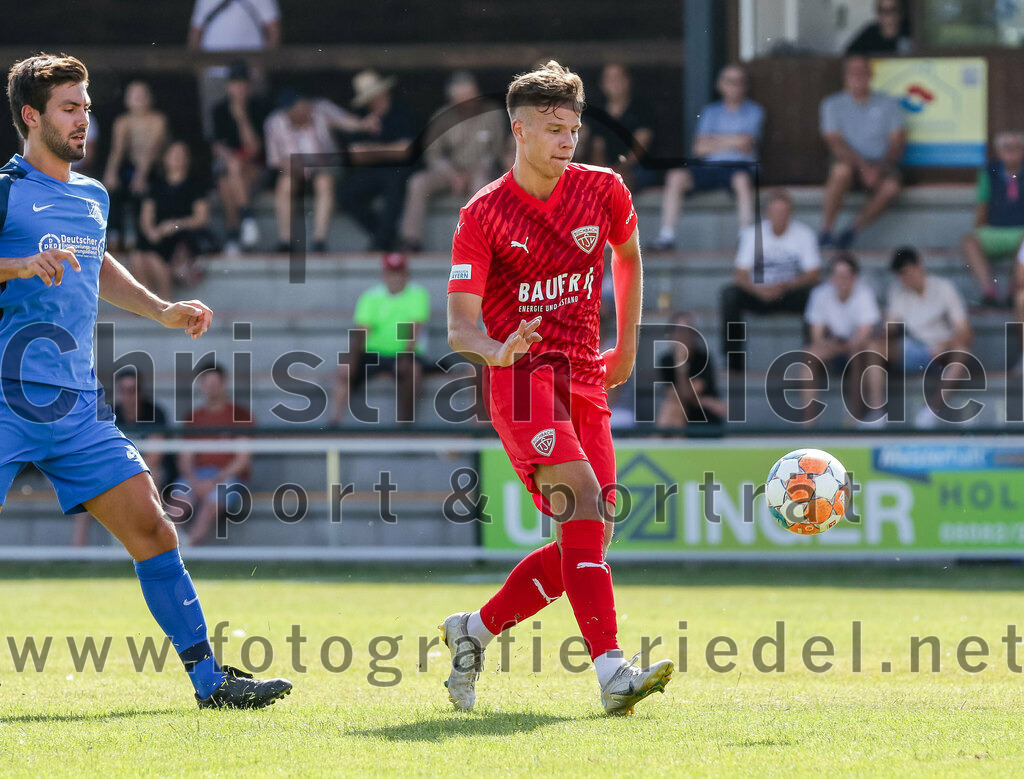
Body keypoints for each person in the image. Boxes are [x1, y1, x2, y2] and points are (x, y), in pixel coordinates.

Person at [0, 54, 290, 707]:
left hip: (77, 410)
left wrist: (160, 309)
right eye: (69, 108)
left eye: (86, 106)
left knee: (154, 531)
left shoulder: (93, 195)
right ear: (31, 115)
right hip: (4, 399)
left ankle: (210, 683)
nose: (84, 119)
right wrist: (18, 266)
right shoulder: (5, 192)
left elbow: (97, 266)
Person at [444, 60, 674, 716]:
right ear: (519, 130)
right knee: (580, 496)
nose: (567, 139)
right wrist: (498, 347)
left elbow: (628, 255)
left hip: (586, 376)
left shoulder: (603, 191)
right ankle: (611, 670)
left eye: (572, 127)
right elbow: (461, 326)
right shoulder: (483, 214)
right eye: (552, 128)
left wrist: (627, 344)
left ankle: (474, 630)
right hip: (518, 380)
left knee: (587, 534)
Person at [651, 64, 763, 251]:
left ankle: (746, 236)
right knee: (675, 177)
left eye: (739, 81)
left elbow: (747, 143)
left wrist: (714, 140)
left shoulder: (754, 110)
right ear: (720, 85)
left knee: (742, 181)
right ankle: (667, 236)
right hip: (709, 167)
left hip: (738, 167)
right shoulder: (711, 111)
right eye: (730, 81)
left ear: (746, 86)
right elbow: (699, 148)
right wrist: (734, 140)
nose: (735, 86)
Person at [397, 71, 507, 252]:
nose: (468, 102)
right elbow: (433, 154)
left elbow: (496, 152)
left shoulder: (492, 113)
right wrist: (453, 175)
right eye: (462, 99)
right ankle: (411, 240)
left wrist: (472, 173)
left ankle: (476, 240)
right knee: (418, 182)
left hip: (481, 170)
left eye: (471, 96)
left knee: (481, 183)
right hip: (449, 172)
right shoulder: (442, 116)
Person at [720, 189, 822, 373]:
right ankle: (733, 362)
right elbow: (740, 275)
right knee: (730, 295)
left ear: (791, 213)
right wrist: (759, 290)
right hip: (758, 294)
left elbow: (813, 274)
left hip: (788, 293)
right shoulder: (752, 234)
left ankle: (814, 358)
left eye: (783, 212)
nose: (779, 216)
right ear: (768, 213)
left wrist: (786, 286)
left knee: (816, 296)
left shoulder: (804, 234)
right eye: (775, 211)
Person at [73, 369, 176, 547]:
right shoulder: (109, 413)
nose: (128, 395)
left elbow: (154, 457)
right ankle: (77, 552)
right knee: (85, 487)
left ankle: (153, 544)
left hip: (146, 473)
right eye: (124, 390)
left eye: (133, 390)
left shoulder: (155, 412)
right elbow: (101, 454)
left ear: (141, 391)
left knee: (154, 477)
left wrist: (127, 476)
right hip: (116, 472)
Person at [264, 89, 371, 252]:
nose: (303, 110)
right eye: (297, 108)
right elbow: (275, 161)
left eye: (304, 105)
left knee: (324, 182)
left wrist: (363, 124)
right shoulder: (274, 122)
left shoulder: (321, 108)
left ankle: (319, 240)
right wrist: (296, 168)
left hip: (326, 167)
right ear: (287, 111)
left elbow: (346, 121)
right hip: (294, 170)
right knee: (285, 183)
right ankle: (286, 241)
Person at [331, 252, 429, 425]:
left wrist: (406, 356)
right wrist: (352, 360)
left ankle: (405, 423)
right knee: (344, 371)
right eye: (392, 272)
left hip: (402, 353)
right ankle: (334, 422)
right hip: (373, 354)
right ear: (384, 275)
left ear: (406, 275)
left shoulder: (417, 294)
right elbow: (361, 331)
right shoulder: (371, 296)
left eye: (399, 272)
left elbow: (414, 329)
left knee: (412, 371)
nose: (395, 278)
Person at [819, 55, 906, 249]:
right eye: (852, 72)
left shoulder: (889, 103)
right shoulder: (832, 104)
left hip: (881, 163)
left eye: (862, 71)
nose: (858, 76)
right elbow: (834, 142)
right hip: (848, 162)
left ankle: (852, 231)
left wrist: (880, 167)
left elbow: (897, 142)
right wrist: (863, 166)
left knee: (891, 187)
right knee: (840, 171)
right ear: (845, 77)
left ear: (871, 75)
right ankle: (826, 230)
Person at [884, 246, 973, 428]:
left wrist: (946, 343)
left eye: (905, 273)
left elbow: (965, 331)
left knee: (962, 351)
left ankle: (932, 410)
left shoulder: (944, 287)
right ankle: (875, 413)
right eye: (899, 275)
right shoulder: (897, 291)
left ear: (919, 267)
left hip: (941, 351)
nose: (903, 279)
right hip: (912, 349)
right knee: (873, 349)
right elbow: (889, 329)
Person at [338, 70, 416, 252]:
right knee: (344, 192)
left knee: (394, 186)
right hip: (371, 172)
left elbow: (406, 151)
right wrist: (388, 150)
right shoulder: (361, 118)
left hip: (399, 171)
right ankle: (386, 238)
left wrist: (371, 150)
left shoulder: (402, 112)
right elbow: (355, 155)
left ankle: (380, 243)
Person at [176, 365, 253, 546]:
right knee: (178, 501)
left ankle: (186, 547)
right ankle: (164, 549)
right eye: (206, 383)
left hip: (229, 477)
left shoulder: (240, 415)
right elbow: (185, 458)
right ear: (200, 385)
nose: (211, 388)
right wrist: (195, 481)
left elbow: (242, 460)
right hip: (198, 475)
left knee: (212, 502)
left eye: (215, 384)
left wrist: (213, 481)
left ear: (225, 384)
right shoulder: (194, 417)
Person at [801, 253, 882, 425]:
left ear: (855, 277)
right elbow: (816, 336)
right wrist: (836, 346)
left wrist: (848, 346)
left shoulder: (864, 293)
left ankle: (863, 416)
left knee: (865, 351)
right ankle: (808, 421)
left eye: (846, 276)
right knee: (809, 355)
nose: (841, 281)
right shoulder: (819, 294)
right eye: (837, 276)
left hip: (856, 349)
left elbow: (865, 333)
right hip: (833, 347)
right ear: (831, 277)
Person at [188, 0, 280, 139]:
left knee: (256, 121)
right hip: (214, 72)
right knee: (215, 124)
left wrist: (265, 63)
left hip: (251, 72)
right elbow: (196, 31)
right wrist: (197, 65)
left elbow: (273, 29)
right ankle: (220, 159)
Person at [132, 141, 211, 301]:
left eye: (180, 155)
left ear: (187, 159)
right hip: (157, 233)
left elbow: (201, 218)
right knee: (137, 257)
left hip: (181, 234)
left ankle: (165, 302)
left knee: (155, 259)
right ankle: (144, 304)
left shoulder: (195, 185)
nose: (176, 158)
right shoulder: (156, 184)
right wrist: (151, 231)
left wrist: (175, 225)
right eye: (172, 154)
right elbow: (146, 215)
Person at [101, 81, 168, 251]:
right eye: (133, 95)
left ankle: (140, 238)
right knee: (113, 189)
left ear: (149, 98)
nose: (138, 99)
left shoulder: (157, 120)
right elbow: (118, 150)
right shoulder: (123, 121)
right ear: (127, 100)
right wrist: (110, 173)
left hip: (154, 169)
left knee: (144, 191)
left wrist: (141, 174)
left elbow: (153, 151)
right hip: (131, 169)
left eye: (142, 95)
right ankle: (115, 234)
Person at [211, 61, 270, 252]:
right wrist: (233, 159)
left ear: (249, 86)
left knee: (229, 177)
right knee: (227, 180)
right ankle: (246, 221)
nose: (239, 89)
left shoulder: (260, 107)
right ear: (228, 87)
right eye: (235, 84)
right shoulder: (219, 110)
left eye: (243, 84)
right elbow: (217, 147)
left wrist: (241, 117)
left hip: (256, 168)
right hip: (232, 166)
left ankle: (234, 235)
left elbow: (254, 149)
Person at [962, 131, 1024, 306]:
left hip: (1021, 232)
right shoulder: (988, 171)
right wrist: (979, 229)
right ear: (999, 151)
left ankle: (1015, 291)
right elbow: (982, 204)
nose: (1011, 151)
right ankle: (989, 292)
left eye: (1016, 147)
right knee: (969, 241)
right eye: (1007, 147)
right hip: (994, 231)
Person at [587, 63, 654, 192]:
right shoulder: (599, 112)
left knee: (620, 179)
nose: (614, 83)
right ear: (602, 84)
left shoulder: (642, 109)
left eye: (618, 78)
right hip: (608, 169)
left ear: (627, 80)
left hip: (637, 168)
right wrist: (603, 170)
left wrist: (617, 170)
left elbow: (639, 149)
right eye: (609, 79)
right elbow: (598, 147)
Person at [656, 312, 727, 429]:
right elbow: (674, 395)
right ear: (671, 334)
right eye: (679, 330)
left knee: (674, 406)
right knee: (673, 406)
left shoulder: (703, 359)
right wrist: (706, 401)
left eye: (688, 330)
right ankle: (663, 442)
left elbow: (688, 394)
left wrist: (681, 366)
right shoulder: (666, 361)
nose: (683, 335)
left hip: (702, 412)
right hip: (690, 406)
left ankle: (656, 443)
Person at [846, 1, 912, 56]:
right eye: (884, 11)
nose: (889, 16)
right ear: (878, 14)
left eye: (893, 10)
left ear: (901, 12)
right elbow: (850, 53)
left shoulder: (910, 31)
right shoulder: (870, 34)